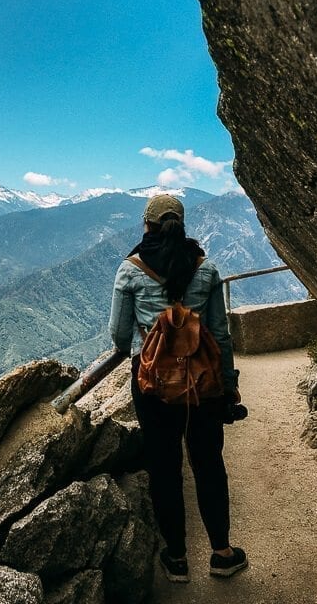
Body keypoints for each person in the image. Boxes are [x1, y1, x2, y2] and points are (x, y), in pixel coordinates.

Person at [108, 193, 248, 583]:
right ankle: (222, 553)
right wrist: (229, 385)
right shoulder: (206, 270)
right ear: (182, 225)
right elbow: (220, 335)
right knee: (208, 463)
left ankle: (177, 558)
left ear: (146, 225)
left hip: (153, 386)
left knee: (165, 468)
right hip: (203, 386)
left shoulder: (130, 270)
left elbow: (119, 338)